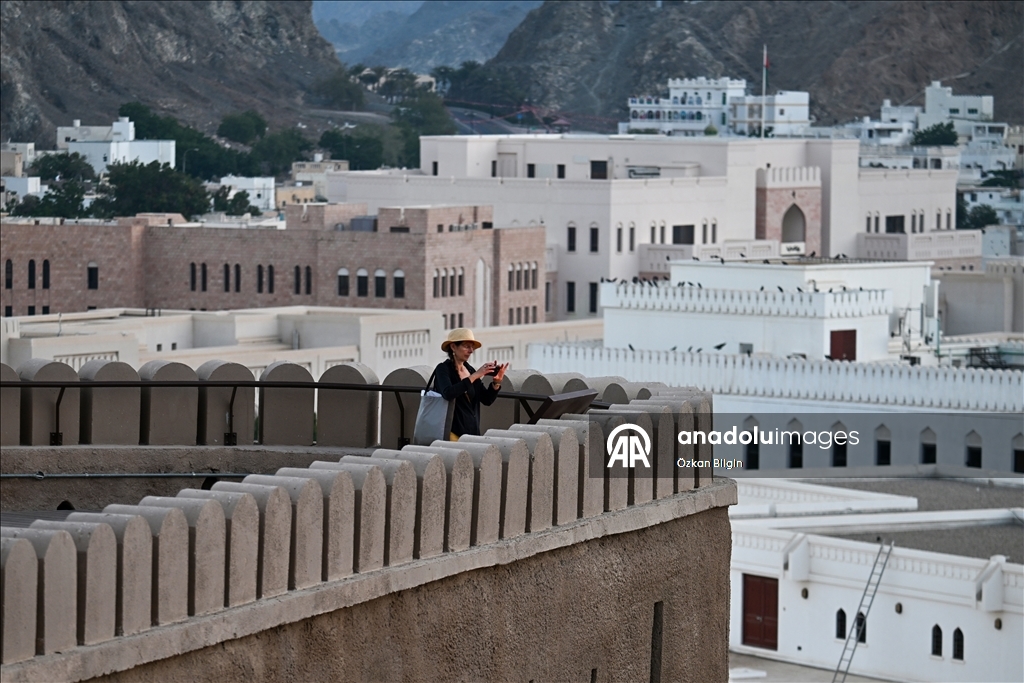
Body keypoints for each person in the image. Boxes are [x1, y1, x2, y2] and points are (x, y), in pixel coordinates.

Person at [433, 328, 508, 439]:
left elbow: (486, 399)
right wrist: (475, 376)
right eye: (466, 346)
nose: (471, 350)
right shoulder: (443, 369)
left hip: (472, 433)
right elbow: (448, 393)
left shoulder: (470, 370)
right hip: (451, 433)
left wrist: (496, 382)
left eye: (472, 347)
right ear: (453, 347)